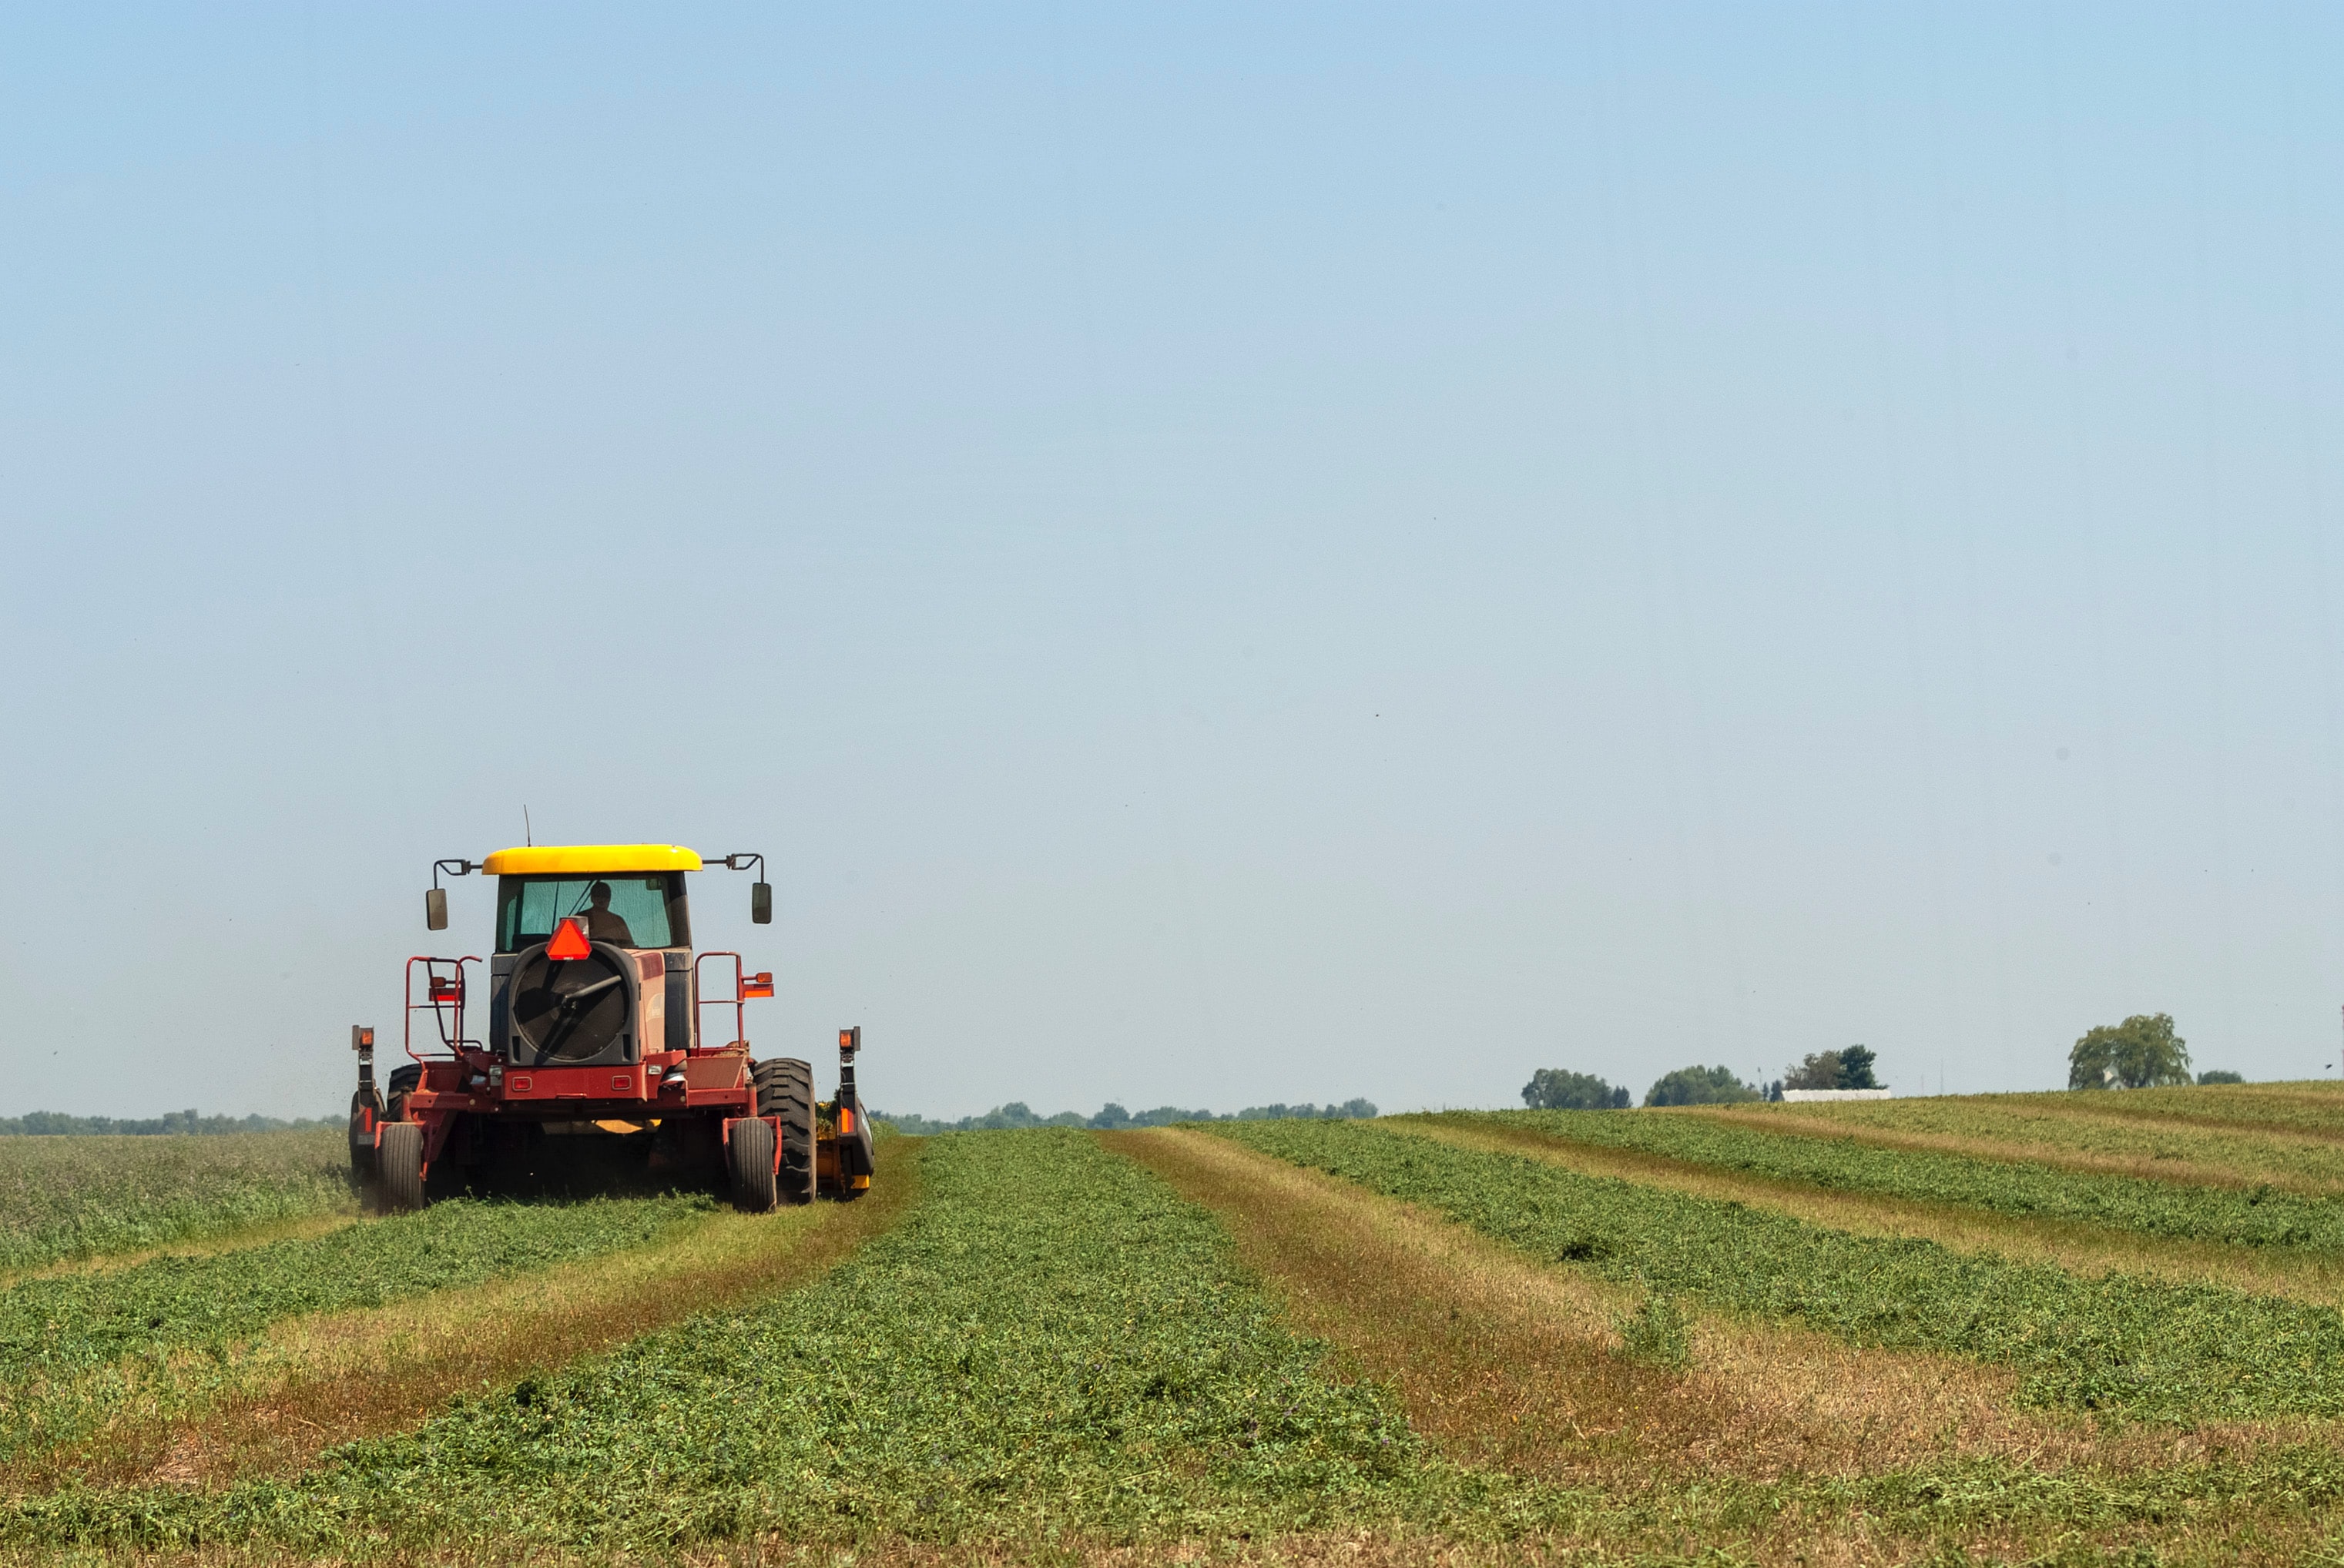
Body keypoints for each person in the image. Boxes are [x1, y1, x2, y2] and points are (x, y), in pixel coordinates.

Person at [581, 880, 636, 946]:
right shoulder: (580, 919)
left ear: (609, 899)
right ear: (592, 898)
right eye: (598, 895)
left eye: (605, 896)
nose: (602, 899)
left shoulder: (618, 921)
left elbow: (629, 947)